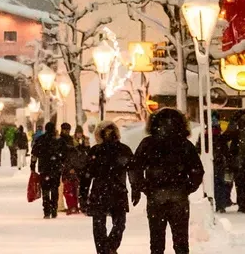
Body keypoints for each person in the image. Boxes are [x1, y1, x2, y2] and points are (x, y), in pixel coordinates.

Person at [131, 108, 204, 254]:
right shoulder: (184, 144)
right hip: (179, 196)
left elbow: (135, 168)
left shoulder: (148, 143)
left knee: (157, 241)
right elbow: (197, 170)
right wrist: (187, 188)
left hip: (156, 196)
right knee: (181, 240)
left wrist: (143, 187)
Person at [81, 122, 135, 254]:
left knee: (100, 226)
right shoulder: (124, 150)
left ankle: (104, 249)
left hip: (101, 192)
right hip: (118, 191)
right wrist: (135, 188)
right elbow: (133, 171)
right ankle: (110, 247)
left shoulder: (96, 151)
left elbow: (86, 176)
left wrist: (83, 195)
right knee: (119, 224)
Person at [30, 120, 66, 218]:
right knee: (54, 188)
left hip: (44, 168)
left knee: (45, 189)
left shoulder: (40, 140)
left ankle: (46, 210)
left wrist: (32, 166)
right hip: (55, 168)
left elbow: (34, 154)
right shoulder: (59, 141)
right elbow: (64, 155)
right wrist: (62, 164)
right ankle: (54, 209)